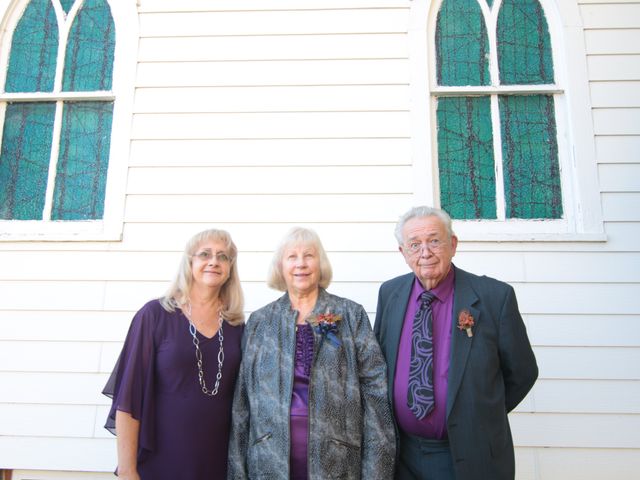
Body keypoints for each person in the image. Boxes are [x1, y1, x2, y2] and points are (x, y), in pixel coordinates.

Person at [374, 206, 538, 480]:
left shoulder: (494, 298)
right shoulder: (390, 293)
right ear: (403, 253)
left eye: (434, 241)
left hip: (467, 455)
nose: (425, 252)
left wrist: (478, 413)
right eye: (414, 245)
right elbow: (380, 363)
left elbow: (522, 373)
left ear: (453, 244)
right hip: (401, 455)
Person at [227, 227, 395, 479]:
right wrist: (237, 472)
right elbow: (242, 402)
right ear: (280, 267)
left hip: (338, 463)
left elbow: (376, 395)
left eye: (309, 255)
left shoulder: (351, 315)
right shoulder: (260, 322)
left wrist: (377, 472)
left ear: (320, 263)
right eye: (292, 257)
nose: (301, 264)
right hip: (268, 464)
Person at [102, 229, 244, 480]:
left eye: (223, 256)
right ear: (190, 262)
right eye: (205, 254)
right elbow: (128, 398)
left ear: (230, 268)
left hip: (218, 462)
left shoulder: (237, 327)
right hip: (162, 458)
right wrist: (127, 470)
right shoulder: (155, 315)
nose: (214, 261)